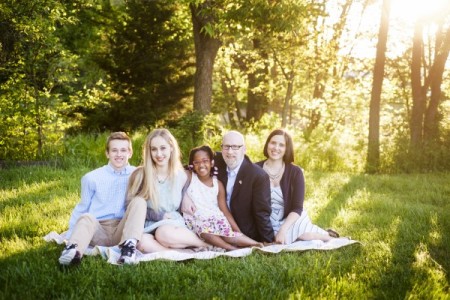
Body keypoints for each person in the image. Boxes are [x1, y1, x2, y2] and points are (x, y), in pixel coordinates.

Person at [59, 132, 147, 266]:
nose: (119, 154)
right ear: (107, 153)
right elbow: (81, 208)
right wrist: (71, 235)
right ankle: (73, 251)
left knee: (139, 202)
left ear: (130, 153)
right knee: (87, 217)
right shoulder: (91, 178)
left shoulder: (138, 174)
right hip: (98, 229)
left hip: (123, 229)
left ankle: (128, 249)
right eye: (114, 150)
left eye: (123, 150)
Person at [126, 128, 209, 253]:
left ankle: (205, 244)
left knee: (164, 233)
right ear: (149, 151)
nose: (159, 154)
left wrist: (185, 195)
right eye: (154, 149)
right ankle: (184, 253)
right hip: (149, 225)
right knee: (142, 242)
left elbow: (183, 200)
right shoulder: (139, 175)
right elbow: (130, 207)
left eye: (163, 148)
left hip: (172, 226)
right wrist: (159, 215)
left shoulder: (181, 176)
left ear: (171, 148)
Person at [184, 131, 274, 243]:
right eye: (226, 147)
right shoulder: (214, 160)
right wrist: (185, 197)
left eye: (235, 147)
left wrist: (268, 241)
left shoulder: (258, 176)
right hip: (211, 221)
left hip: (241, 230)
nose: (230, 152)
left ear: (244, 149)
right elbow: (186, 169)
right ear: (221, 148)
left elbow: (262, 213)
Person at [256, 129, 339, 244]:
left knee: (306, 236)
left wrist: (283, 230)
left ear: (286, 149)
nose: (276, 148)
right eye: (273, 143)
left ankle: (329, 237)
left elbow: (297, 207)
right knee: (277, 240)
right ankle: (323, 233)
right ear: (267, 144)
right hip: (266, 220)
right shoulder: (255, 169)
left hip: (291, 218)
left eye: (281, 145)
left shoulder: (295, 172)